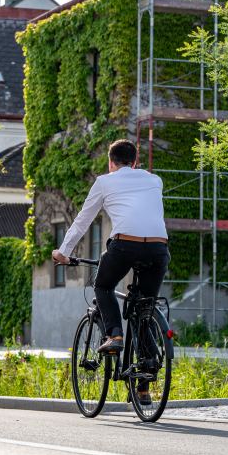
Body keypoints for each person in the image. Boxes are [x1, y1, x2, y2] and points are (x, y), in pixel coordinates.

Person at [52, 139, 170, 355]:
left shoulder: (104, 182)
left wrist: (63, 252)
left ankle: (115, 335)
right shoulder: (155, 180)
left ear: (110, 162)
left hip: (125, 245)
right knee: (145, 306)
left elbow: (83, 220)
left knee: (103, 286)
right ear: (134, 162)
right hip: (159, 248)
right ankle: (144, 382)